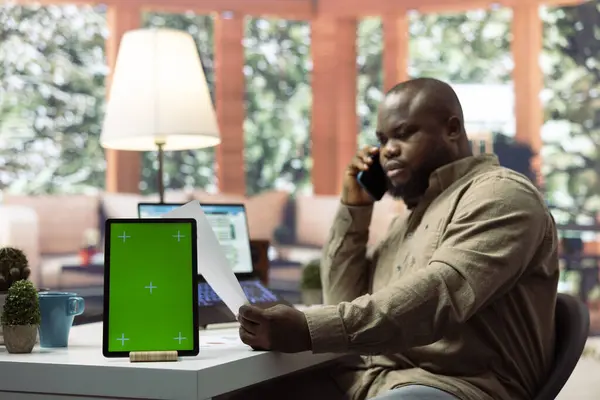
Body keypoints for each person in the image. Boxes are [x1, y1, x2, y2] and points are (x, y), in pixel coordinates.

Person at [231, 77, 559, 400]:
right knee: (238, 392)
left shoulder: (501, 195)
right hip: (374, 380)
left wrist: (309, 328)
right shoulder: (407, 221)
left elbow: (438, 296)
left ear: (453, 129)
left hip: (459, 387)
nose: (388, 150)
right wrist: (354, 209)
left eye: (403, 134)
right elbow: (343, 300)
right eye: (382, 139)